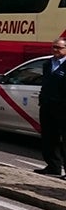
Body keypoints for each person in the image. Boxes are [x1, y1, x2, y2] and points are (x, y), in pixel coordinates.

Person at [35, 38, 66, 176]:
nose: (55, 50)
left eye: (59, 47)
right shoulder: (48, 64)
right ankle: (53, 166)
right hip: (47, 105)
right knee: (49, 137)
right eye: (53, 47)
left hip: (63, 107)